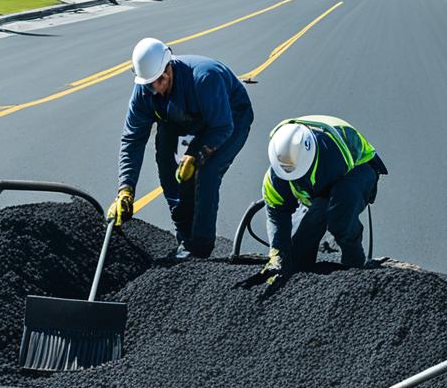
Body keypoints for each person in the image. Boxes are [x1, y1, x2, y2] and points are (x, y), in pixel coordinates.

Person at [109, 38, 253, 259]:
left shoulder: (205, 78)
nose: (155, 88)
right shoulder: (145, 91)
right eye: (149, 84)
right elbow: (132, 140)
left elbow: (222, 126)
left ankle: (201, 248)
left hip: (229, 118)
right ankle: (185, 237)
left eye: (159, 80)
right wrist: (125, 189)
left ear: (169, 66)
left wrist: (195, 154)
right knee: (168, 168)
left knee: (206, 173)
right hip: (183, 117)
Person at [258, 116, 387, 277]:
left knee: (339, 218)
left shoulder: (332, 156)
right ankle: (301, 266)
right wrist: (278, 253)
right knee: (296, 256)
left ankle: (356, 264)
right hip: (320, 179)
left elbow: (337, 201)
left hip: (358, 167)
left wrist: (324, 217)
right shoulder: (275, 176)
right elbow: (277, 214)